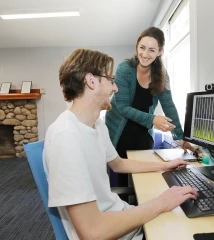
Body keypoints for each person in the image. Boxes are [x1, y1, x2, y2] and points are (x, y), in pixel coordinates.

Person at [43, 48, 198, 240]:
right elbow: (92, 233)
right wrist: (160, 203)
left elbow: (119, 164)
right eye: (111, 80)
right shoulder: (65, 136)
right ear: (91, 81)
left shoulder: (97, 125)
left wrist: (165, 165)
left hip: (120, 217)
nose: (115, 89)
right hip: (112, 232)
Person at [105, 27, 195, 187]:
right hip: (120, 131)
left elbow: (169, 106)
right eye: (142, 48)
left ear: (160, 52)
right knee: (123, 181)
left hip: (143, 130)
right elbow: (123, 107)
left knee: (144, 180)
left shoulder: (161, 75)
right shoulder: (124, 69)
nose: (145, 54)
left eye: (151, 50)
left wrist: (181, 137)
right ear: (137, 47)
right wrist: (153, 119)